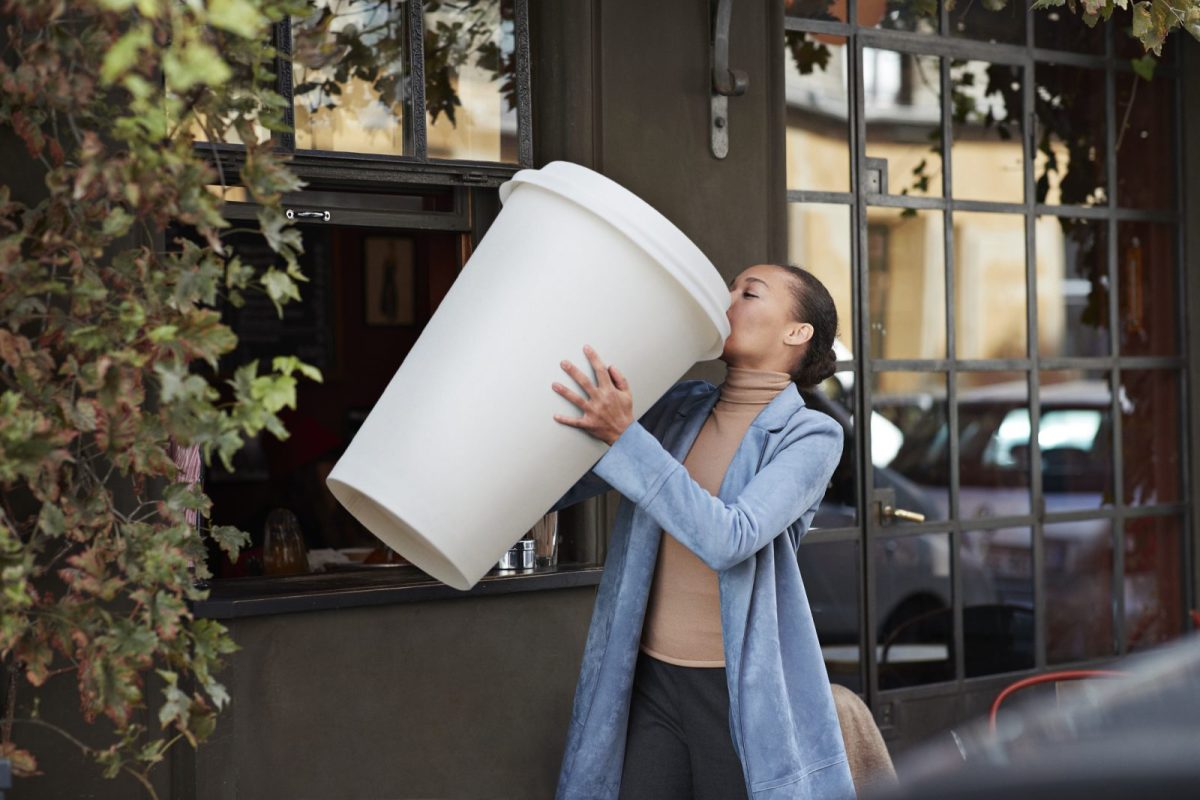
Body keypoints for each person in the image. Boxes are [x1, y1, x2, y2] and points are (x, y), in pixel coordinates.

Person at [548, 263, 855, 800]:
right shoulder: (682, 406)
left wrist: (625, 439)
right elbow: (568, 483)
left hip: (735, 688)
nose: (728, 299)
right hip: (648, 676)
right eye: (730, 288)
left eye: (748, 292)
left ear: (796, 332)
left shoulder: (811, 434)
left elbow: (729, 538)